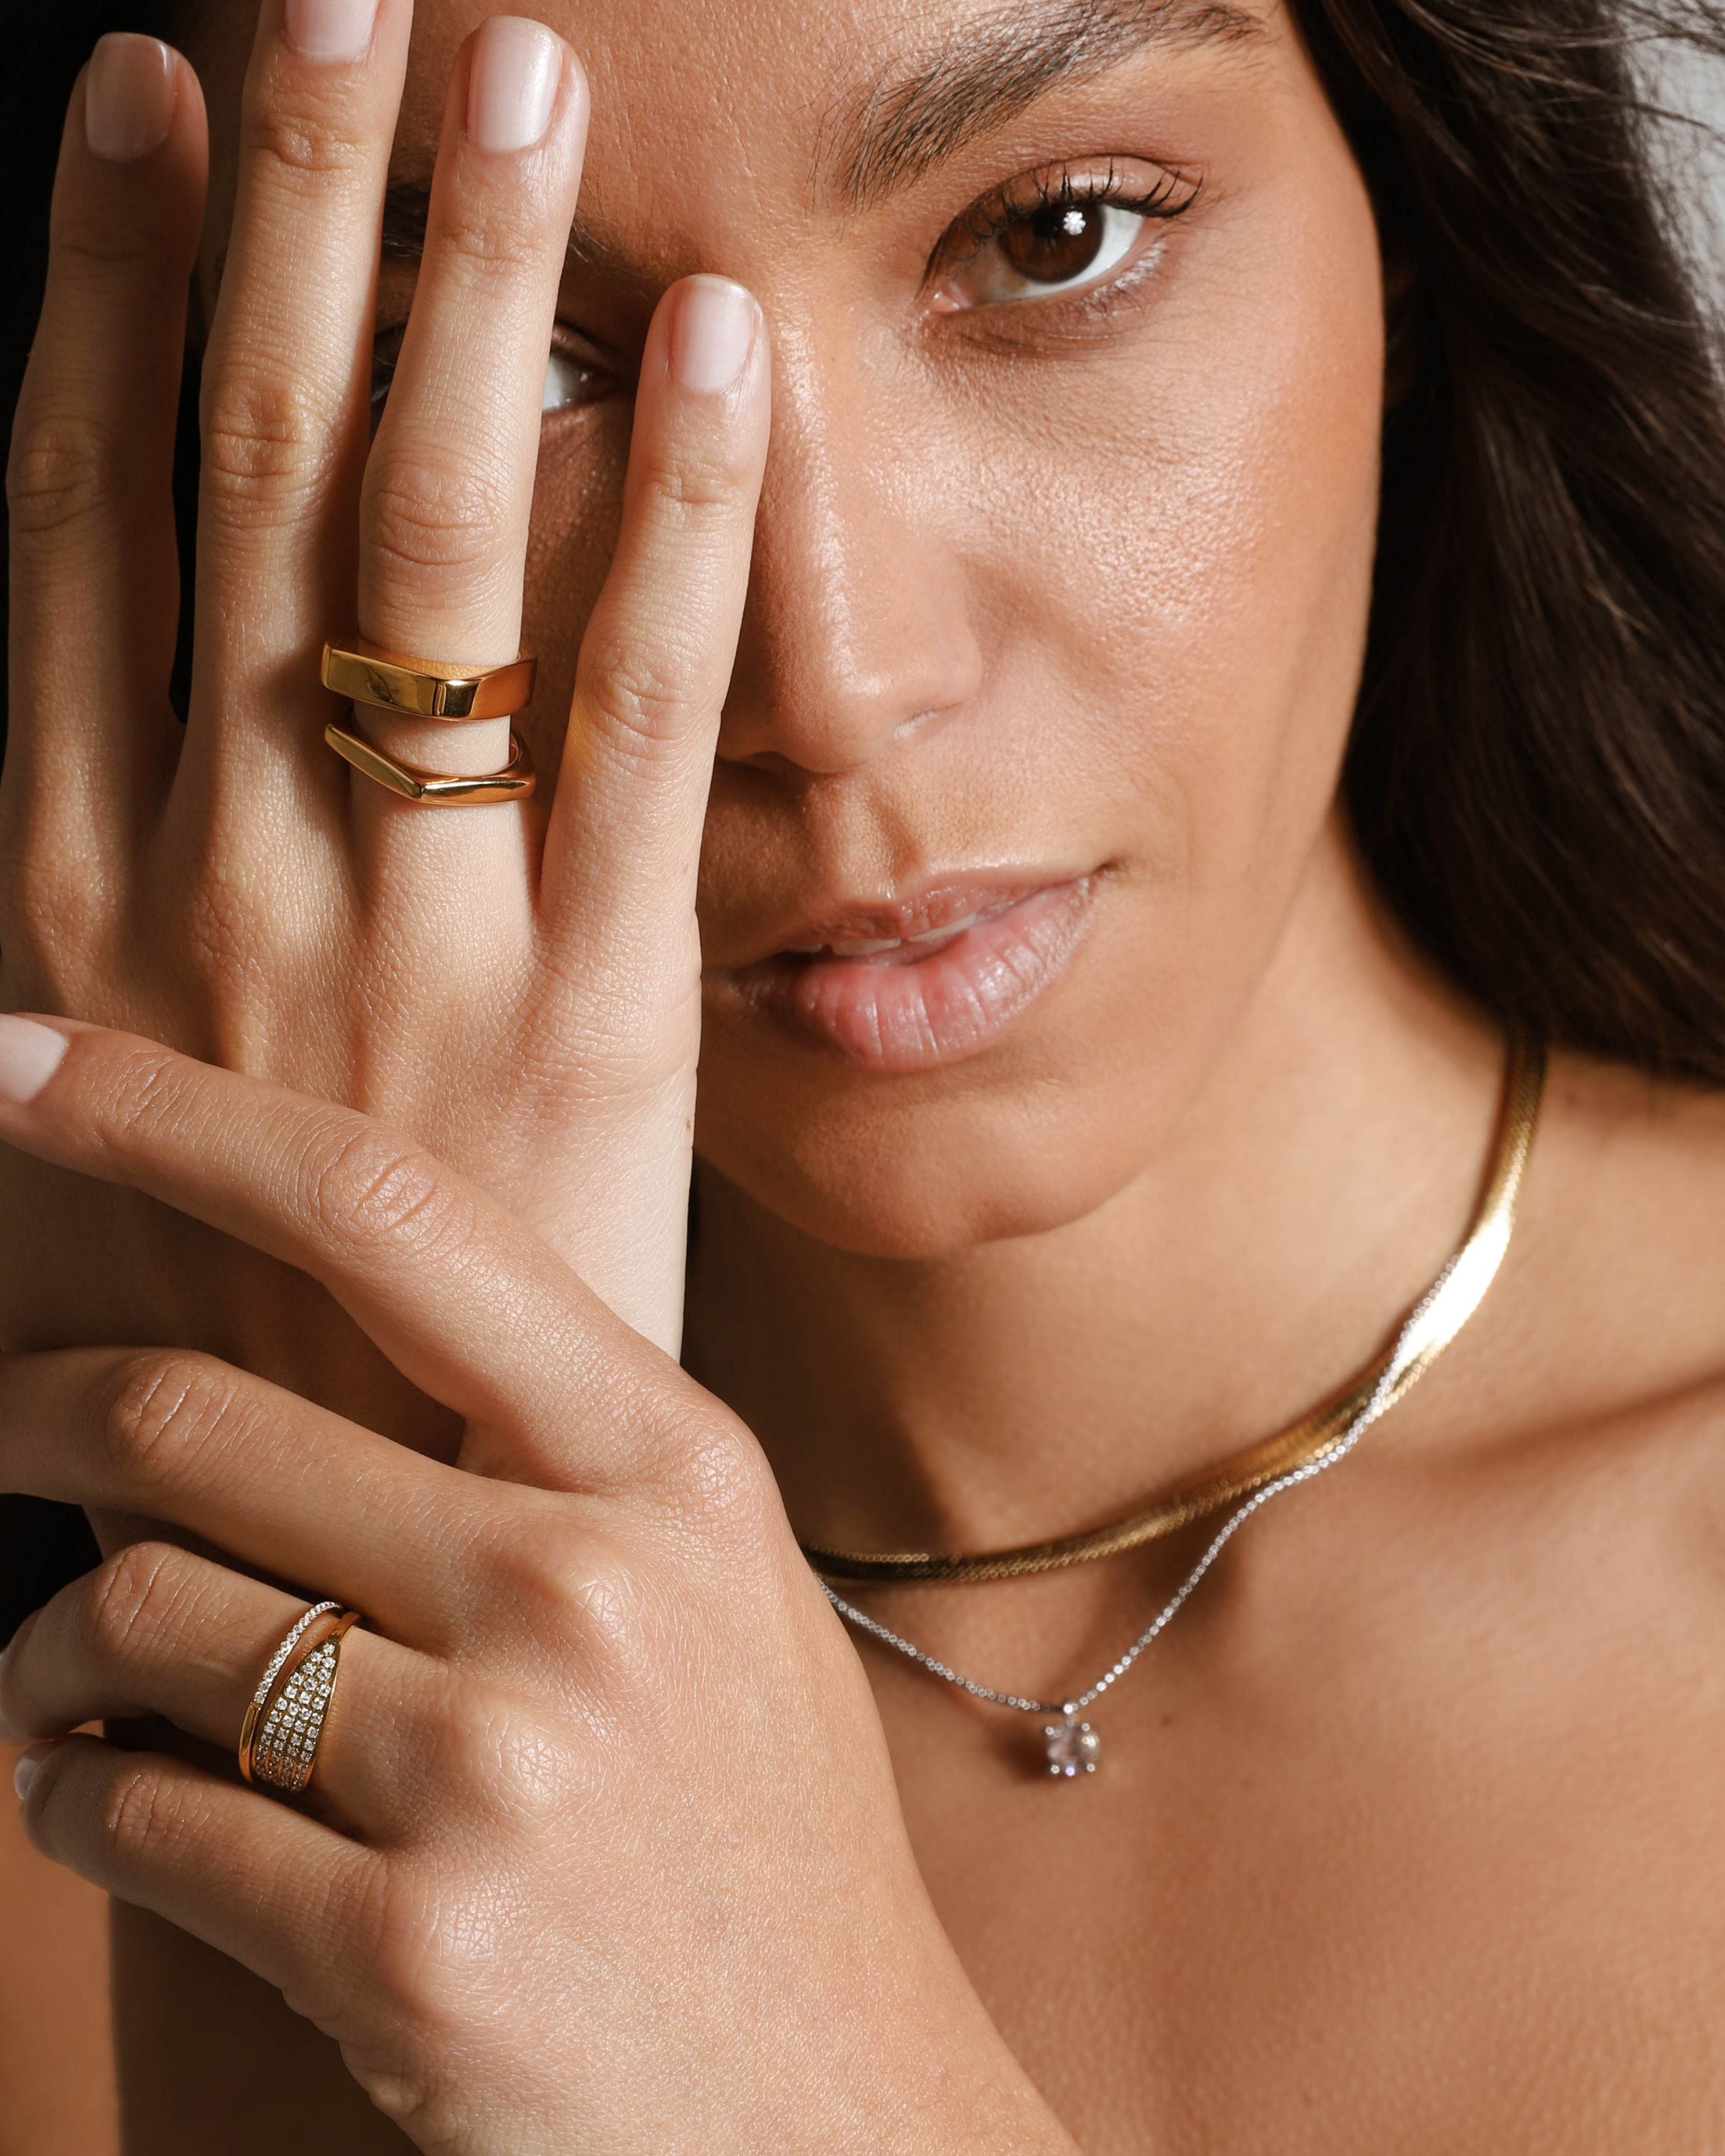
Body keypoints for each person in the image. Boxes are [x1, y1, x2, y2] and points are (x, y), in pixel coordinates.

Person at [3, 0, 1725, 2147]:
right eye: (497, 352)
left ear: (1410, 225)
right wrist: (344, 1623)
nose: (833, 675)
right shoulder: (92, 1840)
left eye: (1057, 236)